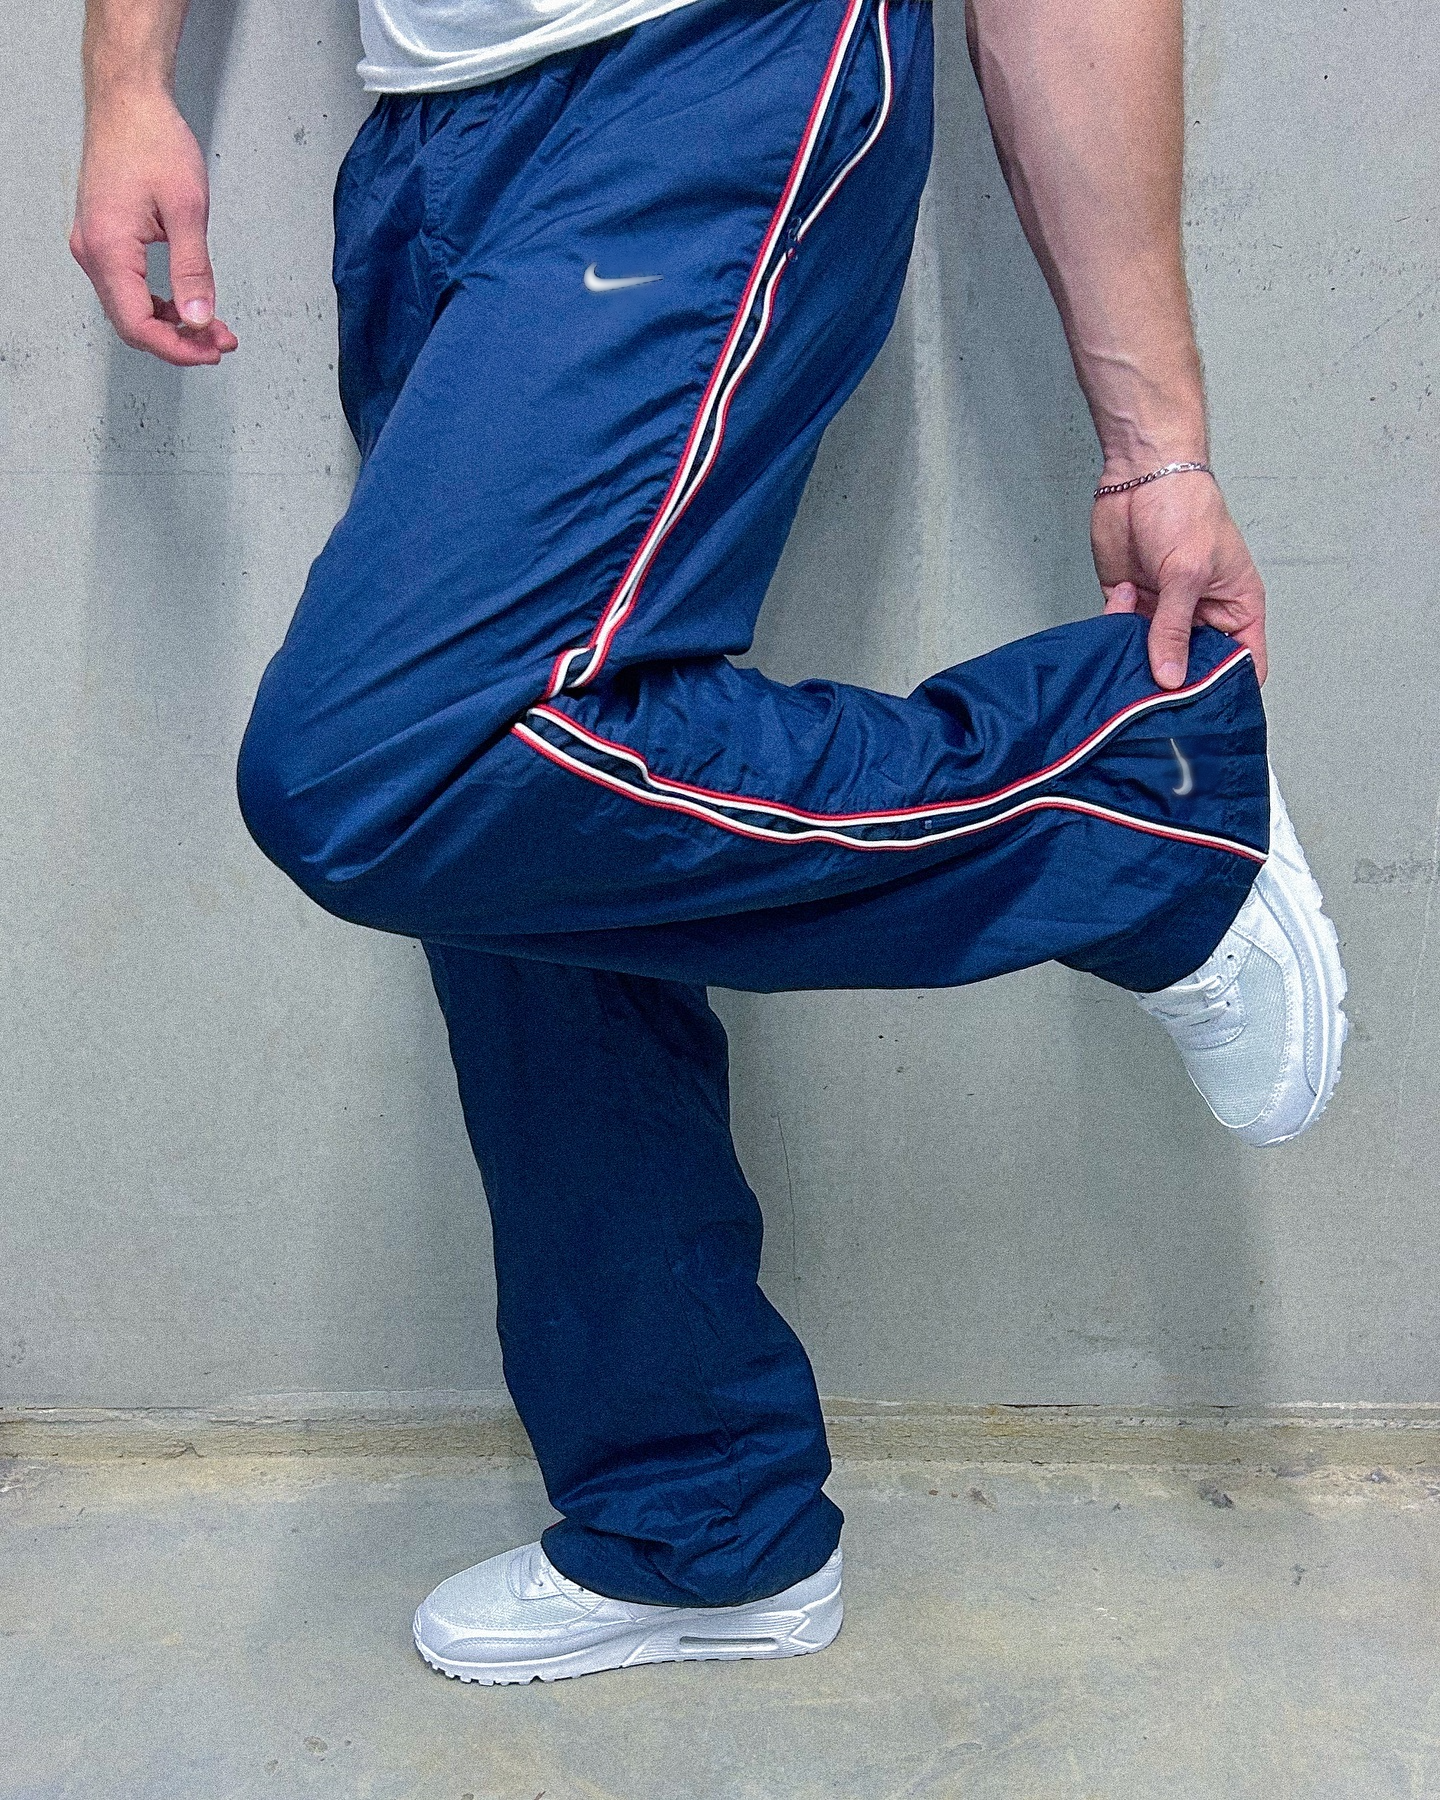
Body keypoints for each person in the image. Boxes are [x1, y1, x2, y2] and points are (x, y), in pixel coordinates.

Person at [73, 0, 1347, 1685]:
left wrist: (1154, 443)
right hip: (426, 141)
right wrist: (130, 80)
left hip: (715, 69)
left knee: (382, 767)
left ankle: (1135, 798)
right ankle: (700, 1522)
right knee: (533, 844)